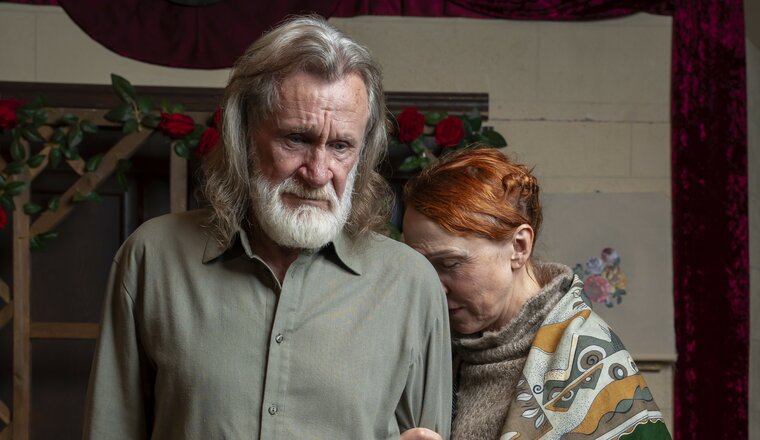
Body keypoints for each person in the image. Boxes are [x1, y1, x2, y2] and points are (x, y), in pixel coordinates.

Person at [82, 16, 452, 440]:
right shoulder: (152, 258)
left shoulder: (410, 284)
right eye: (296, 139)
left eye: (340, 146)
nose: (318, 172)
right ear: (242, 135)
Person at [401, 149, 671, 439]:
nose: (435, 287)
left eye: (450, 264)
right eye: (422, 268)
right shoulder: (429, 351)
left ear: (519, 246)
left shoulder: (592, 364)